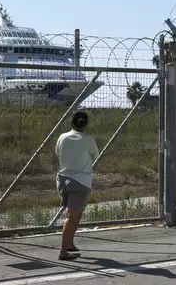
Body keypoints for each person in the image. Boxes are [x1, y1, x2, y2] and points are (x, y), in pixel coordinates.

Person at [54, 110, 99, 260]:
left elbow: (57, 153)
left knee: (75, 214)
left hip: (63, 180)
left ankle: (70, 243)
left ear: (71, 122)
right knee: (72, 216)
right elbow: (95, 156)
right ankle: (63, 251)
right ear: (86, 124)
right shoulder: (88, 139)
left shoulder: (62, 137)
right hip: (81, 181)